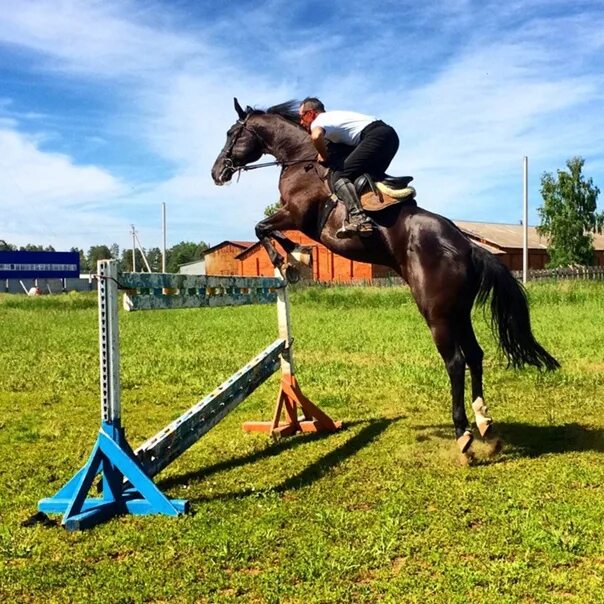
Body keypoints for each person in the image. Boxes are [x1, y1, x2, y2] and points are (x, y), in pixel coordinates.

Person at [298, 97, 399, 239]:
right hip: (390, 137)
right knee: (363, 176)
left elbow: (316, 136)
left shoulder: (319, 120)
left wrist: (323, 155)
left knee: (340, 176)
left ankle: (360, 219)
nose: (301, 122)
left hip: (375, 136)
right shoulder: (335, 119)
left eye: (301, 117)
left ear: (311, 113)